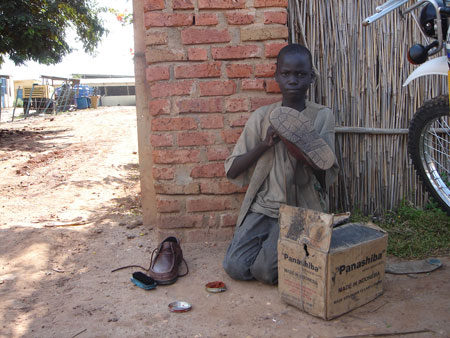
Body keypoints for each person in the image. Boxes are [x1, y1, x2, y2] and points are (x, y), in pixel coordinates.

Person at [222, 44, 339, 285]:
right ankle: (295, 256)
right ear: (276, 76)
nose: (293, 80)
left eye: (300, 74)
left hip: (301, 208)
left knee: (264, 272)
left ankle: (293, 252)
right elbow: (232, 169)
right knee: (234, 266)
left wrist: (301, 152)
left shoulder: (321, 116)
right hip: (264, 207)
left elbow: (326, 175)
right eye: (286, 74)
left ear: (311, 78)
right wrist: (265, 144)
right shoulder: (262, 116)